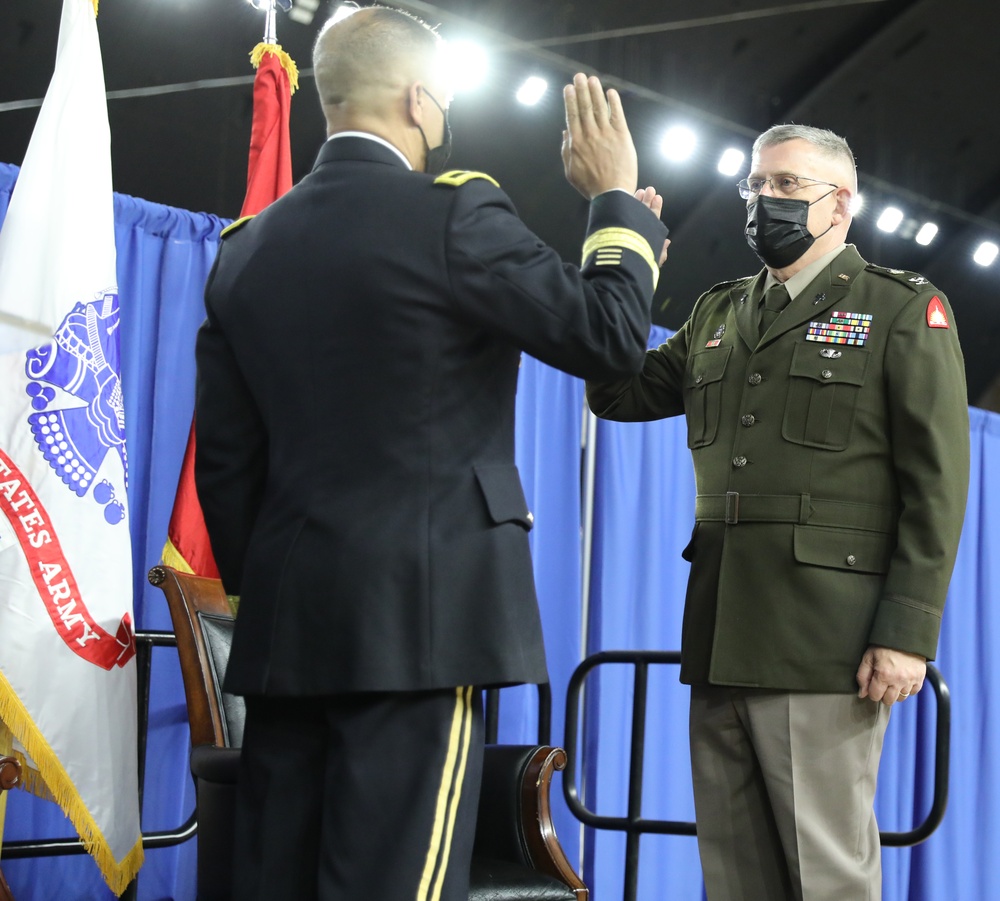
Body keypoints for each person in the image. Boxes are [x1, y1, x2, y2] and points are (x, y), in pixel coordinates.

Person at [193, 5, 668, 900]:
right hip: (422, 622)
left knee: (276, 878)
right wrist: (616, 210)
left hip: (288, 626)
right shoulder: (455, 215)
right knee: (393, 880)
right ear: (420, 100)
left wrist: (275, 597)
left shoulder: (244, 250)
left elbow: (226, 459)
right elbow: (607, 339)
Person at [586, 124, 969, 900]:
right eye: (756, 186)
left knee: (824, 872)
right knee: (735, 873)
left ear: (842, 204)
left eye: (788, 186)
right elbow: (615, 392)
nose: (767, 201)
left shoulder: (899, 310)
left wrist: (907, 632)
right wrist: (628, 265)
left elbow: (937, 482)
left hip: (826, 642)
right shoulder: (717, 311)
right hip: (722, 629)